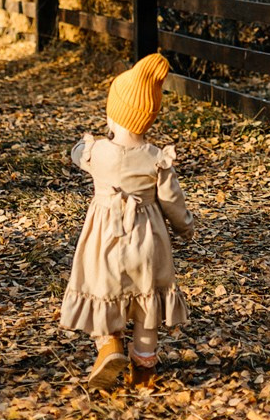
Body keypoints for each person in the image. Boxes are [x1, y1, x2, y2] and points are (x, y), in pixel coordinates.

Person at [60, 52, 195, 389]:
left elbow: (77, 152)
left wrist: (85, 144)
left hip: (103, 240)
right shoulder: (156, 159)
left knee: (104, 294)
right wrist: (185, 227)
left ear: (113, 115)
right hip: (148, 243)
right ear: (147, 120)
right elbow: (172, 203)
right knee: (147, 306)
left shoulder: (98, 152)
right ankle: (144, 373)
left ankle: (109, 346)